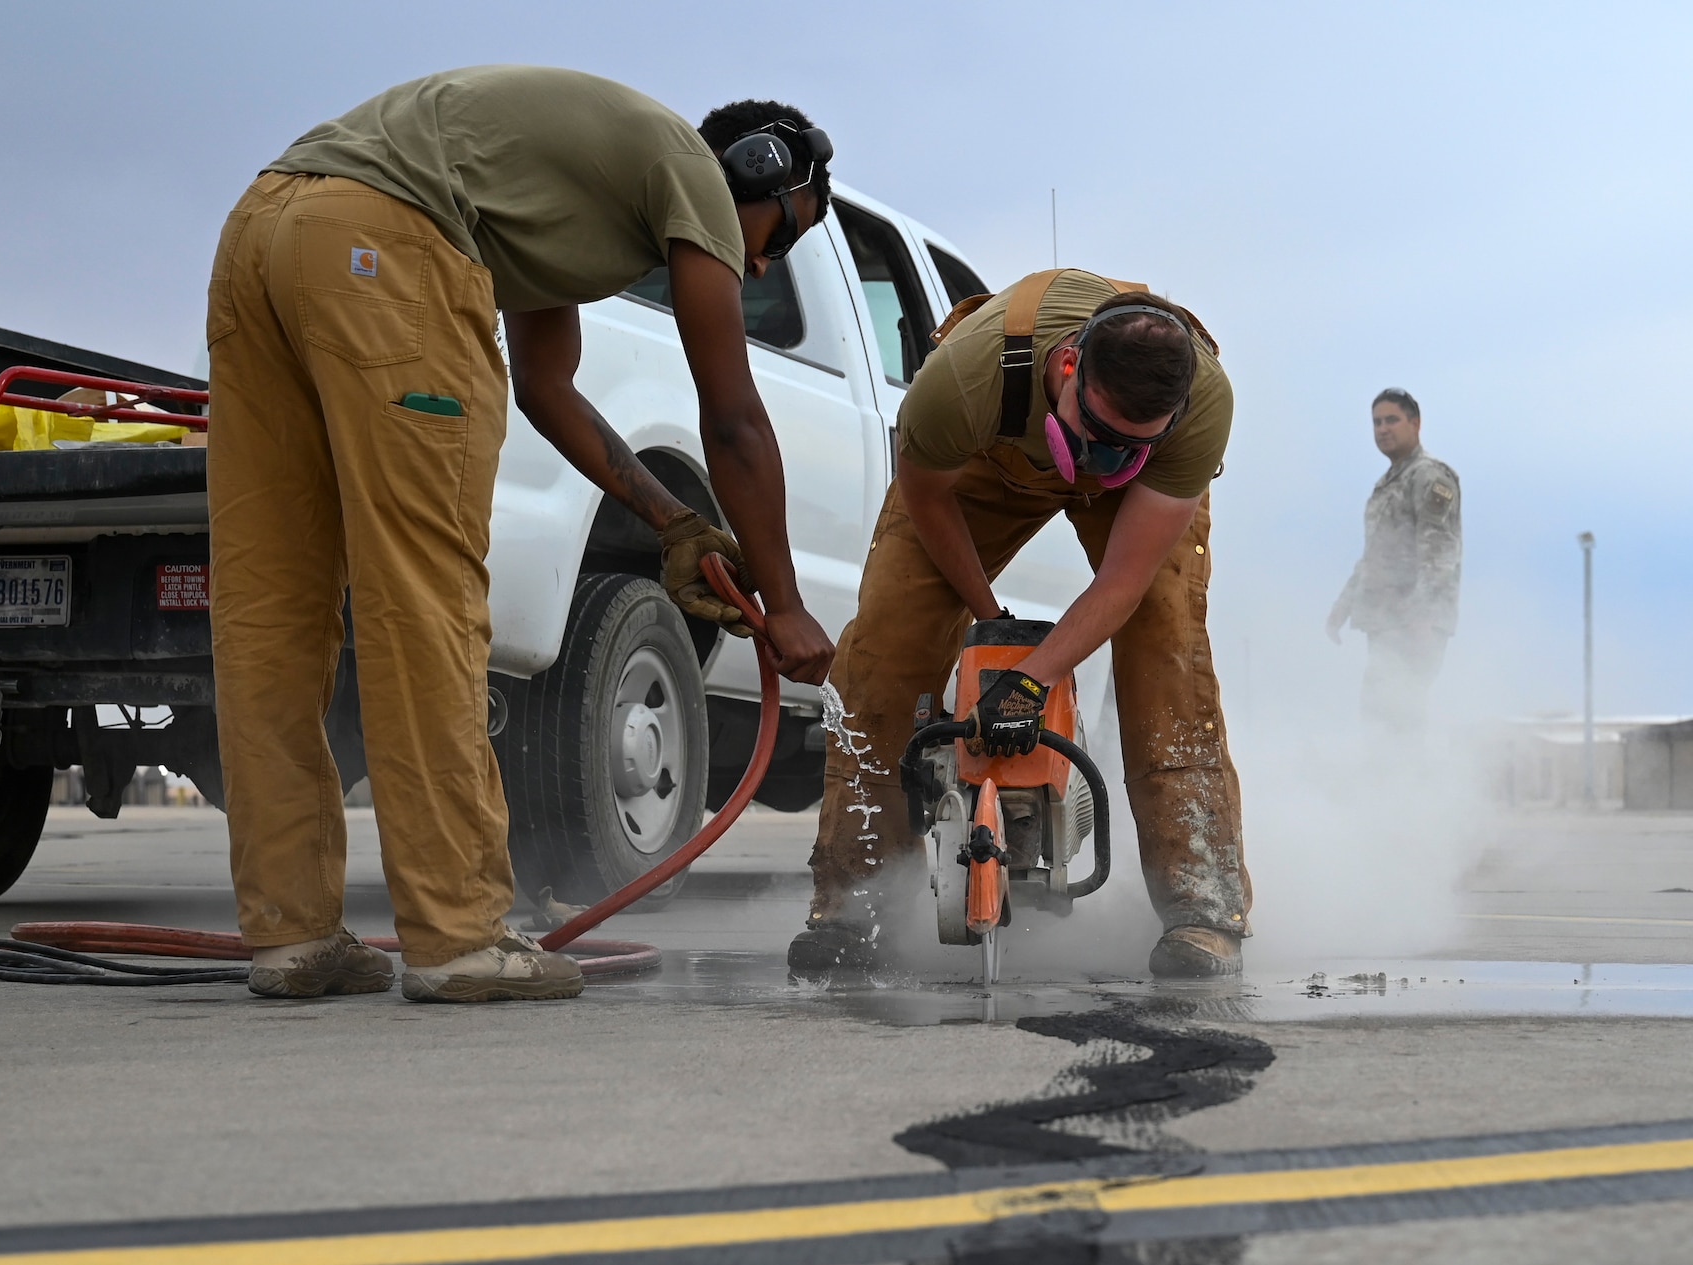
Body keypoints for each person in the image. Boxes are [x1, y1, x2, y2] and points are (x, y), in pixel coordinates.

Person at [205, 66, 837, 1003]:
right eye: (783, 235)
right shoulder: (698, 176)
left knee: (270, 605)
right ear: (762, 173)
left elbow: (549, 386)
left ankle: (292, 933)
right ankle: (458, 933)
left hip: (261, 233)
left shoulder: (573, 191)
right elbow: (734, 417)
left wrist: (671, 521)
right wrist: (785, 607)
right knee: (424, 599)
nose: (762, 267)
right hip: (383, 244)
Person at [789, 268, 1252, 980]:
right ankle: (856, 902)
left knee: (1167, 653)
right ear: (1068, 366)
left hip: (1134, 494)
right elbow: (929, 504)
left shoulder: (1202, 406)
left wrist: (1032, 677)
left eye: (1132, 445)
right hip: (985, 460)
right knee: (886, 651)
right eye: (1096, 434)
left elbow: (1124, 582)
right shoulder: (964, 380)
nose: (1103, 462)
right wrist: (990, 624)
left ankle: (1203, 906)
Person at [1325, 388, 1461, 733]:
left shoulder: (1429, 477)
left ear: (1415, 423)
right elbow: (1374, 556)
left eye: (1392, 420)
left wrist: (1422, 617)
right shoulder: (1388, 484)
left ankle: (1409, 786)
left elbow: (1438, 553)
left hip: (1413, 624)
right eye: (1376, 422)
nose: (1383, 429)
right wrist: (1343, 606)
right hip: (1386, 622)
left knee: (1397, 716)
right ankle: (1389, 785)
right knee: (1380, 716)